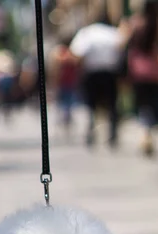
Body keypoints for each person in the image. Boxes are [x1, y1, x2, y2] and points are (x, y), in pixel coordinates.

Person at [69, 13, 126, 147]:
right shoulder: (113, 32)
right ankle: (112, 134)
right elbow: (122, 49)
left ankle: (91, 131)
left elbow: (76, 54)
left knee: (91, 105)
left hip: (92, 73)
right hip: (110, 73)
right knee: (112, 105)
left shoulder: (87, 33)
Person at [127, 0, 158, 155]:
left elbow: (126, 45)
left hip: (138, 71)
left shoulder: (135, 24)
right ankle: (149, 134)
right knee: (152, 104)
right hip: (154, 72)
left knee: (143, 106)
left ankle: (145, 135)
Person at [49, 37, 79, 132]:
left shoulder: (60, 54)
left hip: (65, 82)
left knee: (64, 102)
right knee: (66, 101)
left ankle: (64, 118)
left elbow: (54, 69)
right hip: (67, 81)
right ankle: (65, 118)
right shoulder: (70, 54)